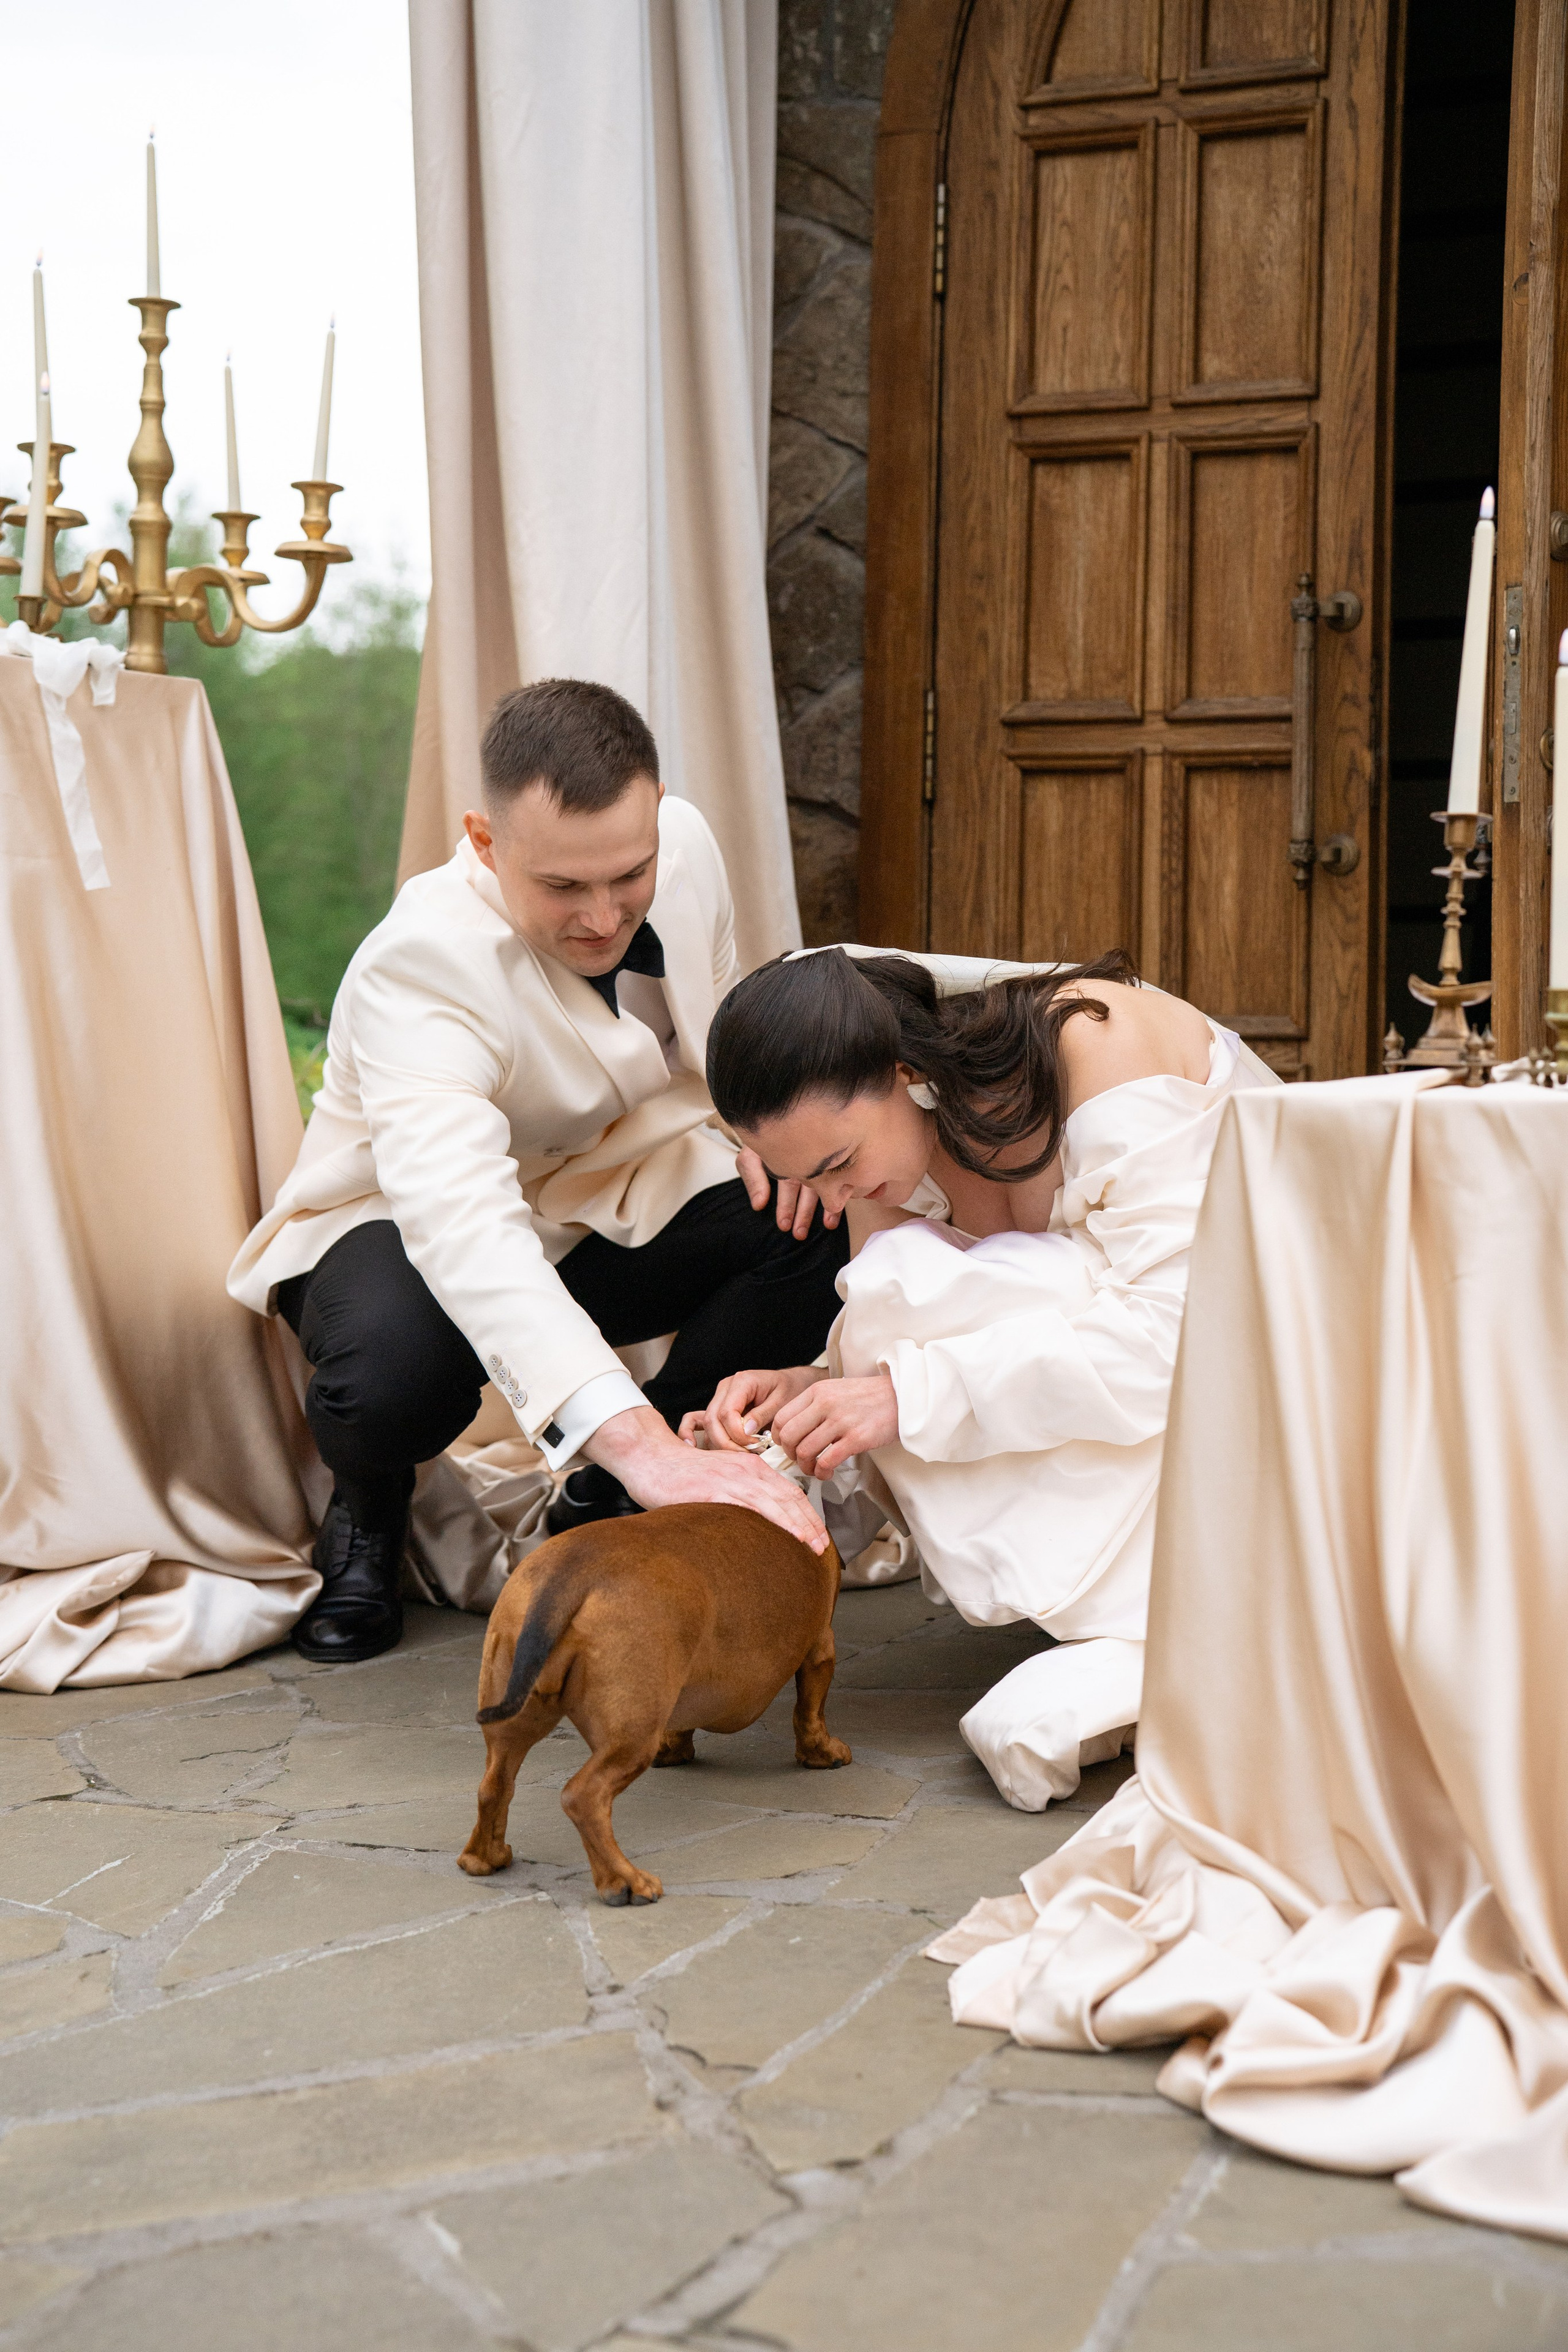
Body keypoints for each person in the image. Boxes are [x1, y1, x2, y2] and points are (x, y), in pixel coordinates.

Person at [228, 679, 839, 1665]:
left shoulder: (680, 843)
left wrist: (778, 1138)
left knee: (812, 1215)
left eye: (627, 876)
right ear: (483, 840)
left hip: (603, 1192)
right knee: (391, 1380)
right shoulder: (418, 968)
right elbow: (465, 1232)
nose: (604, 917)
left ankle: (610, 1498)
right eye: (563, 888)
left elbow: (720, 1019)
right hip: (397, 1226)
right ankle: (371, 1509)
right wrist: (628, 1432)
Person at [682, 944, 1281, 1809]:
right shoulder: (887, 1174)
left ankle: (1191, 1627)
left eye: (837, 1162)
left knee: (896, 1305)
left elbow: (1180, 1335)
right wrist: (806, 1396)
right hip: (1158, 1415)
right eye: (806, 1181)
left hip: (1272, 1381)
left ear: (904, 1070)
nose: (838, 1196)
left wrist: (901, 1393)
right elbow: (893, 1358)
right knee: (882, 1299)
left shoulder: (1096, 1044)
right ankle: (1149, 1628)